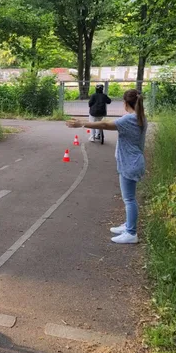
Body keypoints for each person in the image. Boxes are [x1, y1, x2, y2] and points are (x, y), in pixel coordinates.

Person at [67, 89, 147, 244]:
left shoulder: (129, 119)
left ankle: (131, 233)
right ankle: (128, 226)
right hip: (132, 162)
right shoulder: (139, 117)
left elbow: (104, 124)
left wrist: (81, 123)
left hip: (130, 163)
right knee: (129, 198)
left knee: (129, 199)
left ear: (125, 103)